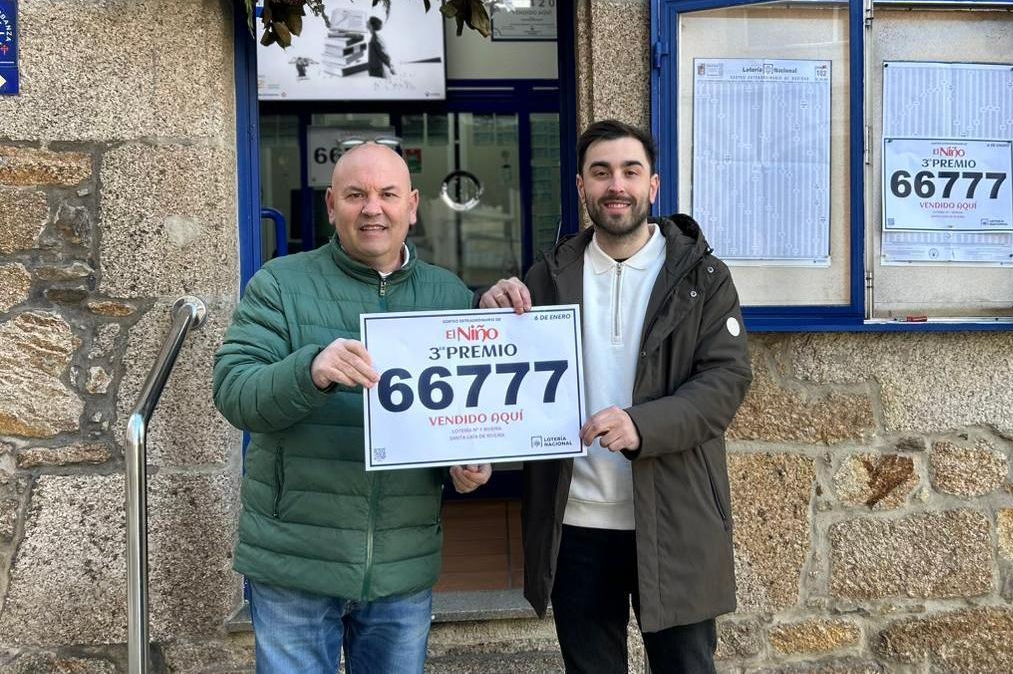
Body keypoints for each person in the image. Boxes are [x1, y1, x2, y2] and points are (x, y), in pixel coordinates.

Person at [480, 119, 752, 673]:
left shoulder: (704, 277)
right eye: (600, 173)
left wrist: (642, 426)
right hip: (575, 524)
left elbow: (724, 383)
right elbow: (507, 372)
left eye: (630, 171)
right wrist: (491, 311)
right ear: (581, 187)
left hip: (673, 519)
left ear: (653, 185)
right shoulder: (547, 276)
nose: (616, 186)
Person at [213, 142, 491, 673]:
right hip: (296, 561)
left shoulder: (447, 294)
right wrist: (310, 369)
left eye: (387, 194)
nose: (372, 208)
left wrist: (463, 459)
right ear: (331, 205)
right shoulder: (280, 284)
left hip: (399, 567)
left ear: (412, 205)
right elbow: (234, 390)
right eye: (356, 195)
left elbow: (451, 419)